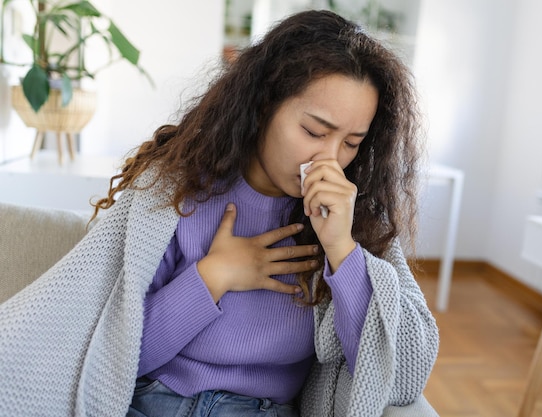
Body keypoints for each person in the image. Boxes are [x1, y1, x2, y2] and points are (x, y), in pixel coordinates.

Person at [0, 9, 438, 417]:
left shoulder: (356, 218)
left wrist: (342, 251)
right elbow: (119, 353)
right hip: (152, 401)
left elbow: (399, 376)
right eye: (313, 131)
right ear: (265, 104)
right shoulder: (173, 193)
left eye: (351, 142)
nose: (327, 159)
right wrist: (214, 276)